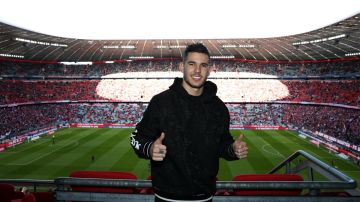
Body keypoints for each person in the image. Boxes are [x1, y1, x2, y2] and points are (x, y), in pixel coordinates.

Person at [130, 43, 248, 202]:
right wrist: (149, 148)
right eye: (192, 64)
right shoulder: (161, 102)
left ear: (210, 69)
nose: (197, 70)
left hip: (205, 198)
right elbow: (135, 138)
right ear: (181, 66)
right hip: (166, 197)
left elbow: (222, 145)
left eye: (203, 65)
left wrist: (232, 149)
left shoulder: (219, 108)